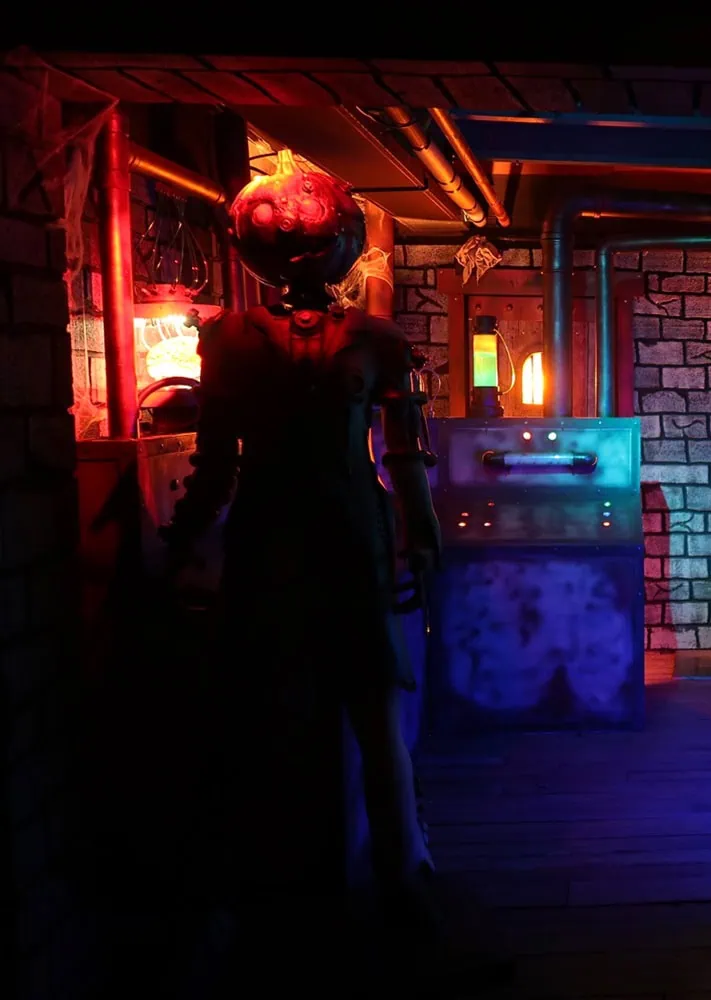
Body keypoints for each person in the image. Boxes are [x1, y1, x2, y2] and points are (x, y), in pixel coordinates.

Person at [159, 156, 448, 981]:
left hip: (288, 533)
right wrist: (422, 535)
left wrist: (183, 542)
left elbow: (217, 467)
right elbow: (404, 458)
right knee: (356, 710)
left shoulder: (234, 340)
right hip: (332, 532)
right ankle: (390, 878)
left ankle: (304, 888)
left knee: (295, 712)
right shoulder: (368, 339)